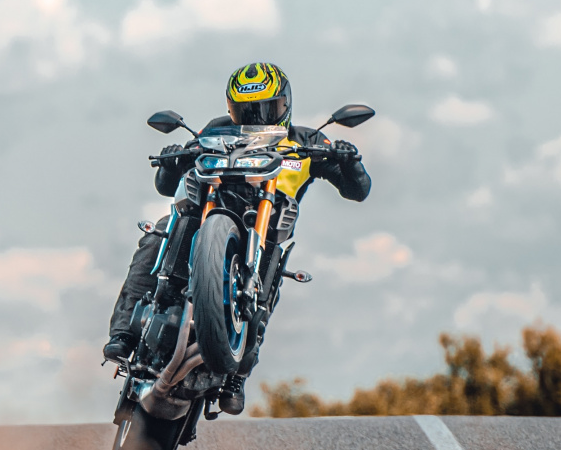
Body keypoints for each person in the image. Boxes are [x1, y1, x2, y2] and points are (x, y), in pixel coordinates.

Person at [102, 62, 372, 414]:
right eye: (247, 110)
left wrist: (349, 161)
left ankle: (238, 371)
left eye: (265, 109)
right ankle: (123, 331)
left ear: (284, 104)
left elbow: (358, 190)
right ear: (232, 107)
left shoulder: (307, 141)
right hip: (206, 219)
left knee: (274, 268)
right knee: (159, 231)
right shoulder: (215, 130)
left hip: (265, 233)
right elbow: (166, 185)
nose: (256, 118)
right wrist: (171, 162)